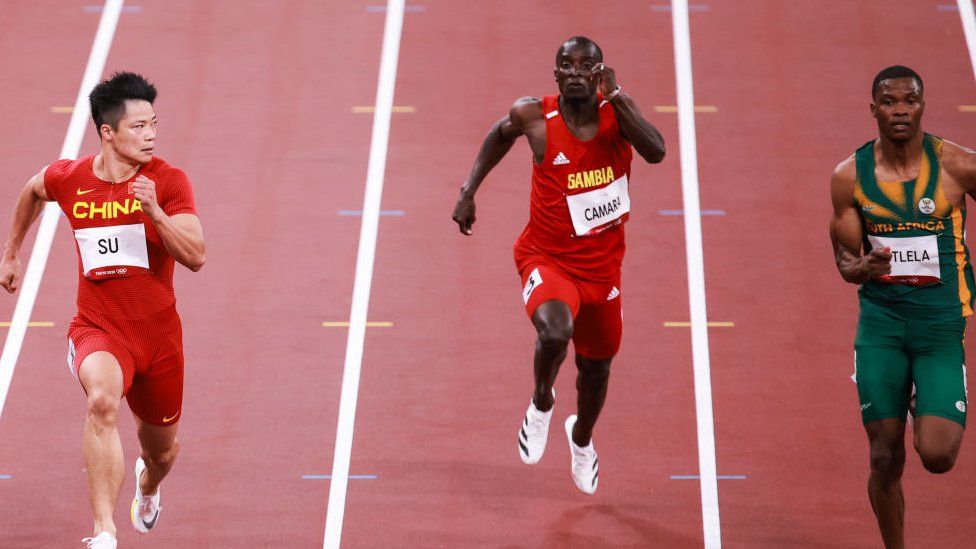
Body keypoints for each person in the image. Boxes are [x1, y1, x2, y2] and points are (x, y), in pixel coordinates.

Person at [0, 72, 205, 548]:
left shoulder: (168, 182)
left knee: (163, 453)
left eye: (154, 124)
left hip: (159, 340)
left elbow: (196, 256)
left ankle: (148, 486)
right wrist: (11, 252)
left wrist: (155, 213)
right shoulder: (69, 179)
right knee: (102, 401)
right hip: (98, 329)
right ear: (107, 132)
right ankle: (104, 533)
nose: (151, 134)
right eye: (139, 127)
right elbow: (33, 190)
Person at [452, 36, 665, 494]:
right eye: (564, 65)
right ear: (554, 74)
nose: (573, 72)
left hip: (603, 271)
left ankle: (582, 440)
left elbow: (657, 151)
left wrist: (619, 97)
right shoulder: (535, 116)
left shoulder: (618, 114)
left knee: (596, 371)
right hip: (546, 258)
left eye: (584, 65)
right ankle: (542, 402)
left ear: (599, 72)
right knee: (554, 330)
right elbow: (498, 135)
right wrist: (468, 191)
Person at [829, 65, 975, 549]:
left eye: (908, 101)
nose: (899, 110)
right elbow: (845, 264)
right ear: (873, 109)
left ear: (922, 105)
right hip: (882, 327)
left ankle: (923, 402)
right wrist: (864, 266)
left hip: (939, 328)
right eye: (889, 102)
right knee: (884, 458)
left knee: (937, 456)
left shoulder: (955, 165)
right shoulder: (849, 177)